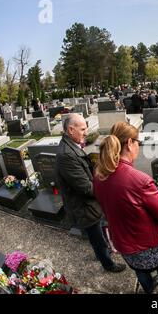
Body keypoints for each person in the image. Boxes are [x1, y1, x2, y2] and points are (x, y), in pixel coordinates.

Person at [93, 122, 158, 294]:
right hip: (149, 244)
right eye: (138, 142)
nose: (139, 146)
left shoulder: (100, 174)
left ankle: (149, 288)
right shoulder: (140, 180)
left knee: (140, 270)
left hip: (122, 242)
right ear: (129, 143)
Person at [55, 113, 126, 273]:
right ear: (71, 130)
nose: (86, 132)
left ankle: (103, 252)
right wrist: (108, 190)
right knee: (98, 239)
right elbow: (86, 188)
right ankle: (108, 264)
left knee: (99, 234)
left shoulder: (71, 145)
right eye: (83, 129)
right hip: (84, 208)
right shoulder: (66, 155)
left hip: (89, 206)